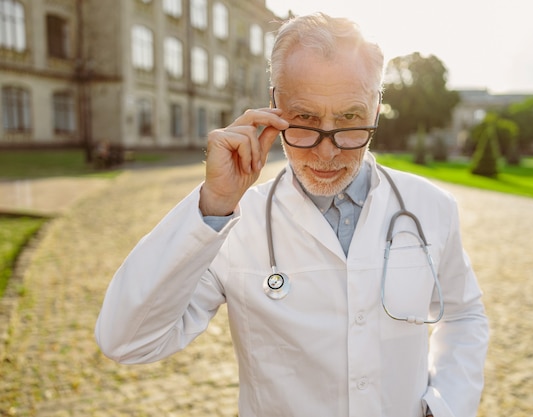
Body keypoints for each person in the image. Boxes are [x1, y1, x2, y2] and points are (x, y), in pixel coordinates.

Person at [95, 12, 489, 417]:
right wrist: (213, 202)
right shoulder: (232, 223)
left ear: (376, 108)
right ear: (274, 107)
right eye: (304, 119)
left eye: (350, 119)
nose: (327, 151)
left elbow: (464, 314)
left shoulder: (431, 207)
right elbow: (127, 340)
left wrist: (446, 407)